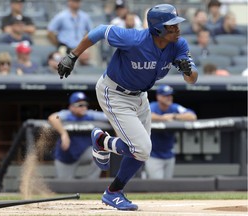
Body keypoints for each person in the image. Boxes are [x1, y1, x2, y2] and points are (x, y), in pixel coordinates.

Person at [57, 3, 198, 211]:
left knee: (141, 152)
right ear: (158, 28)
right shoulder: (133, 39)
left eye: (177, 24)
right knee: (142, 148)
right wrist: (73, 55)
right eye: (171, 26)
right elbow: (99, 31)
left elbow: (192, 79)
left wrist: (188, 71)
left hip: (140, 96)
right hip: (114, 93)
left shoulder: (178, 45)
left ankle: (104, 150)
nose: (177, 29)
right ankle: (111, 187)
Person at [48, 91, 108, 180]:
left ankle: (91, 182)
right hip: (66, 157)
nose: (84, 107)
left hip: (84, 153)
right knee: (65, 185)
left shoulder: (90, 114)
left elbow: (111, 117)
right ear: (71, 107)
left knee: (100, 151)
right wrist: (64, 134)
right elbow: (52, 118)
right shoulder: (67, 114)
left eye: (85, 104)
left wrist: (118, 134)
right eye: (80, 105)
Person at [145, 84, 197, 180]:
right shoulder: (153, 106)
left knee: (167, 186)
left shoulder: (174, 108)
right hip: (153, 155)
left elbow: (192, 116)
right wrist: (162, 118)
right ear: (159, 97)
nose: (169, 98)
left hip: (169, 154)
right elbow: (146, 115)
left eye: (170, 95)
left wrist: (174, 116)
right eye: (166, 96)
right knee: (157, 186)